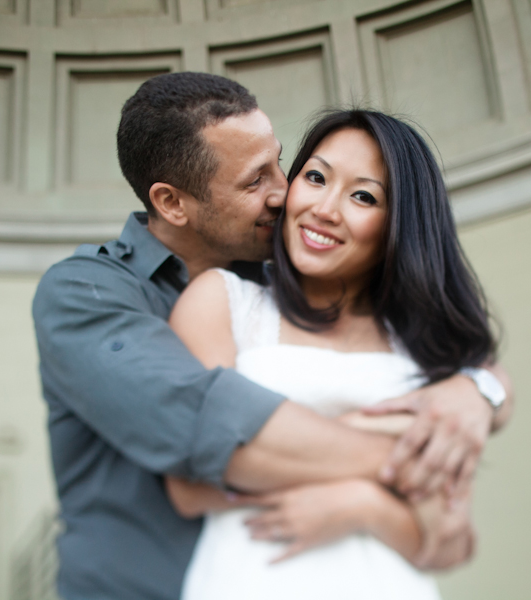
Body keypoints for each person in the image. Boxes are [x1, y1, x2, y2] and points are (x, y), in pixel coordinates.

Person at [32, 73, 512, 600]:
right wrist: (421, 459)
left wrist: (477, 392)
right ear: (172, 203)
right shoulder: (88, 294)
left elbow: (451, 530)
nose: (285, 193)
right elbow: (218, 436)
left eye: (281, 163)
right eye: (254, 180)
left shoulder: (298, 285)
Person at [167, 108, 507, 599]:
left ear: (400, 224)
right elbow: (190, 484)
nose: (325, 209)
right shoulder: (222, 302)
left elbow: (449, 543)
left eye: (363, 196)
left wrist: (362, 505)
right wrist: (392, 443)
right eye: (316, 177)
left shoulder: (422, 351)